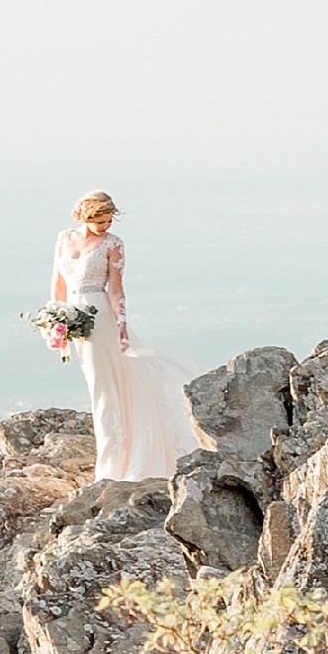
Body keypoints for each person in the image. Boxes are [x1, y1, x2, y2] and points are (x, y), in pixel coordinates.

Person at [52, 191, 200, 482]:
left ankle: (110, 467)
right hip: (72, 321)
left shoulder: (113, 244)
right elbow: (58, 283)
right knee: (100, 388)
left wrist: (121, 322)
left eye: (108, 221)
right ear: (85, 216)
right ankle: (112, 457)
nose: (105, 226)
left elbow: (116, 289)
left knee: (103, 392)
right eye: (99, 221)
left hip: (100, 321)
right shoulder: (64, 238)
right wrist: (56, 322)